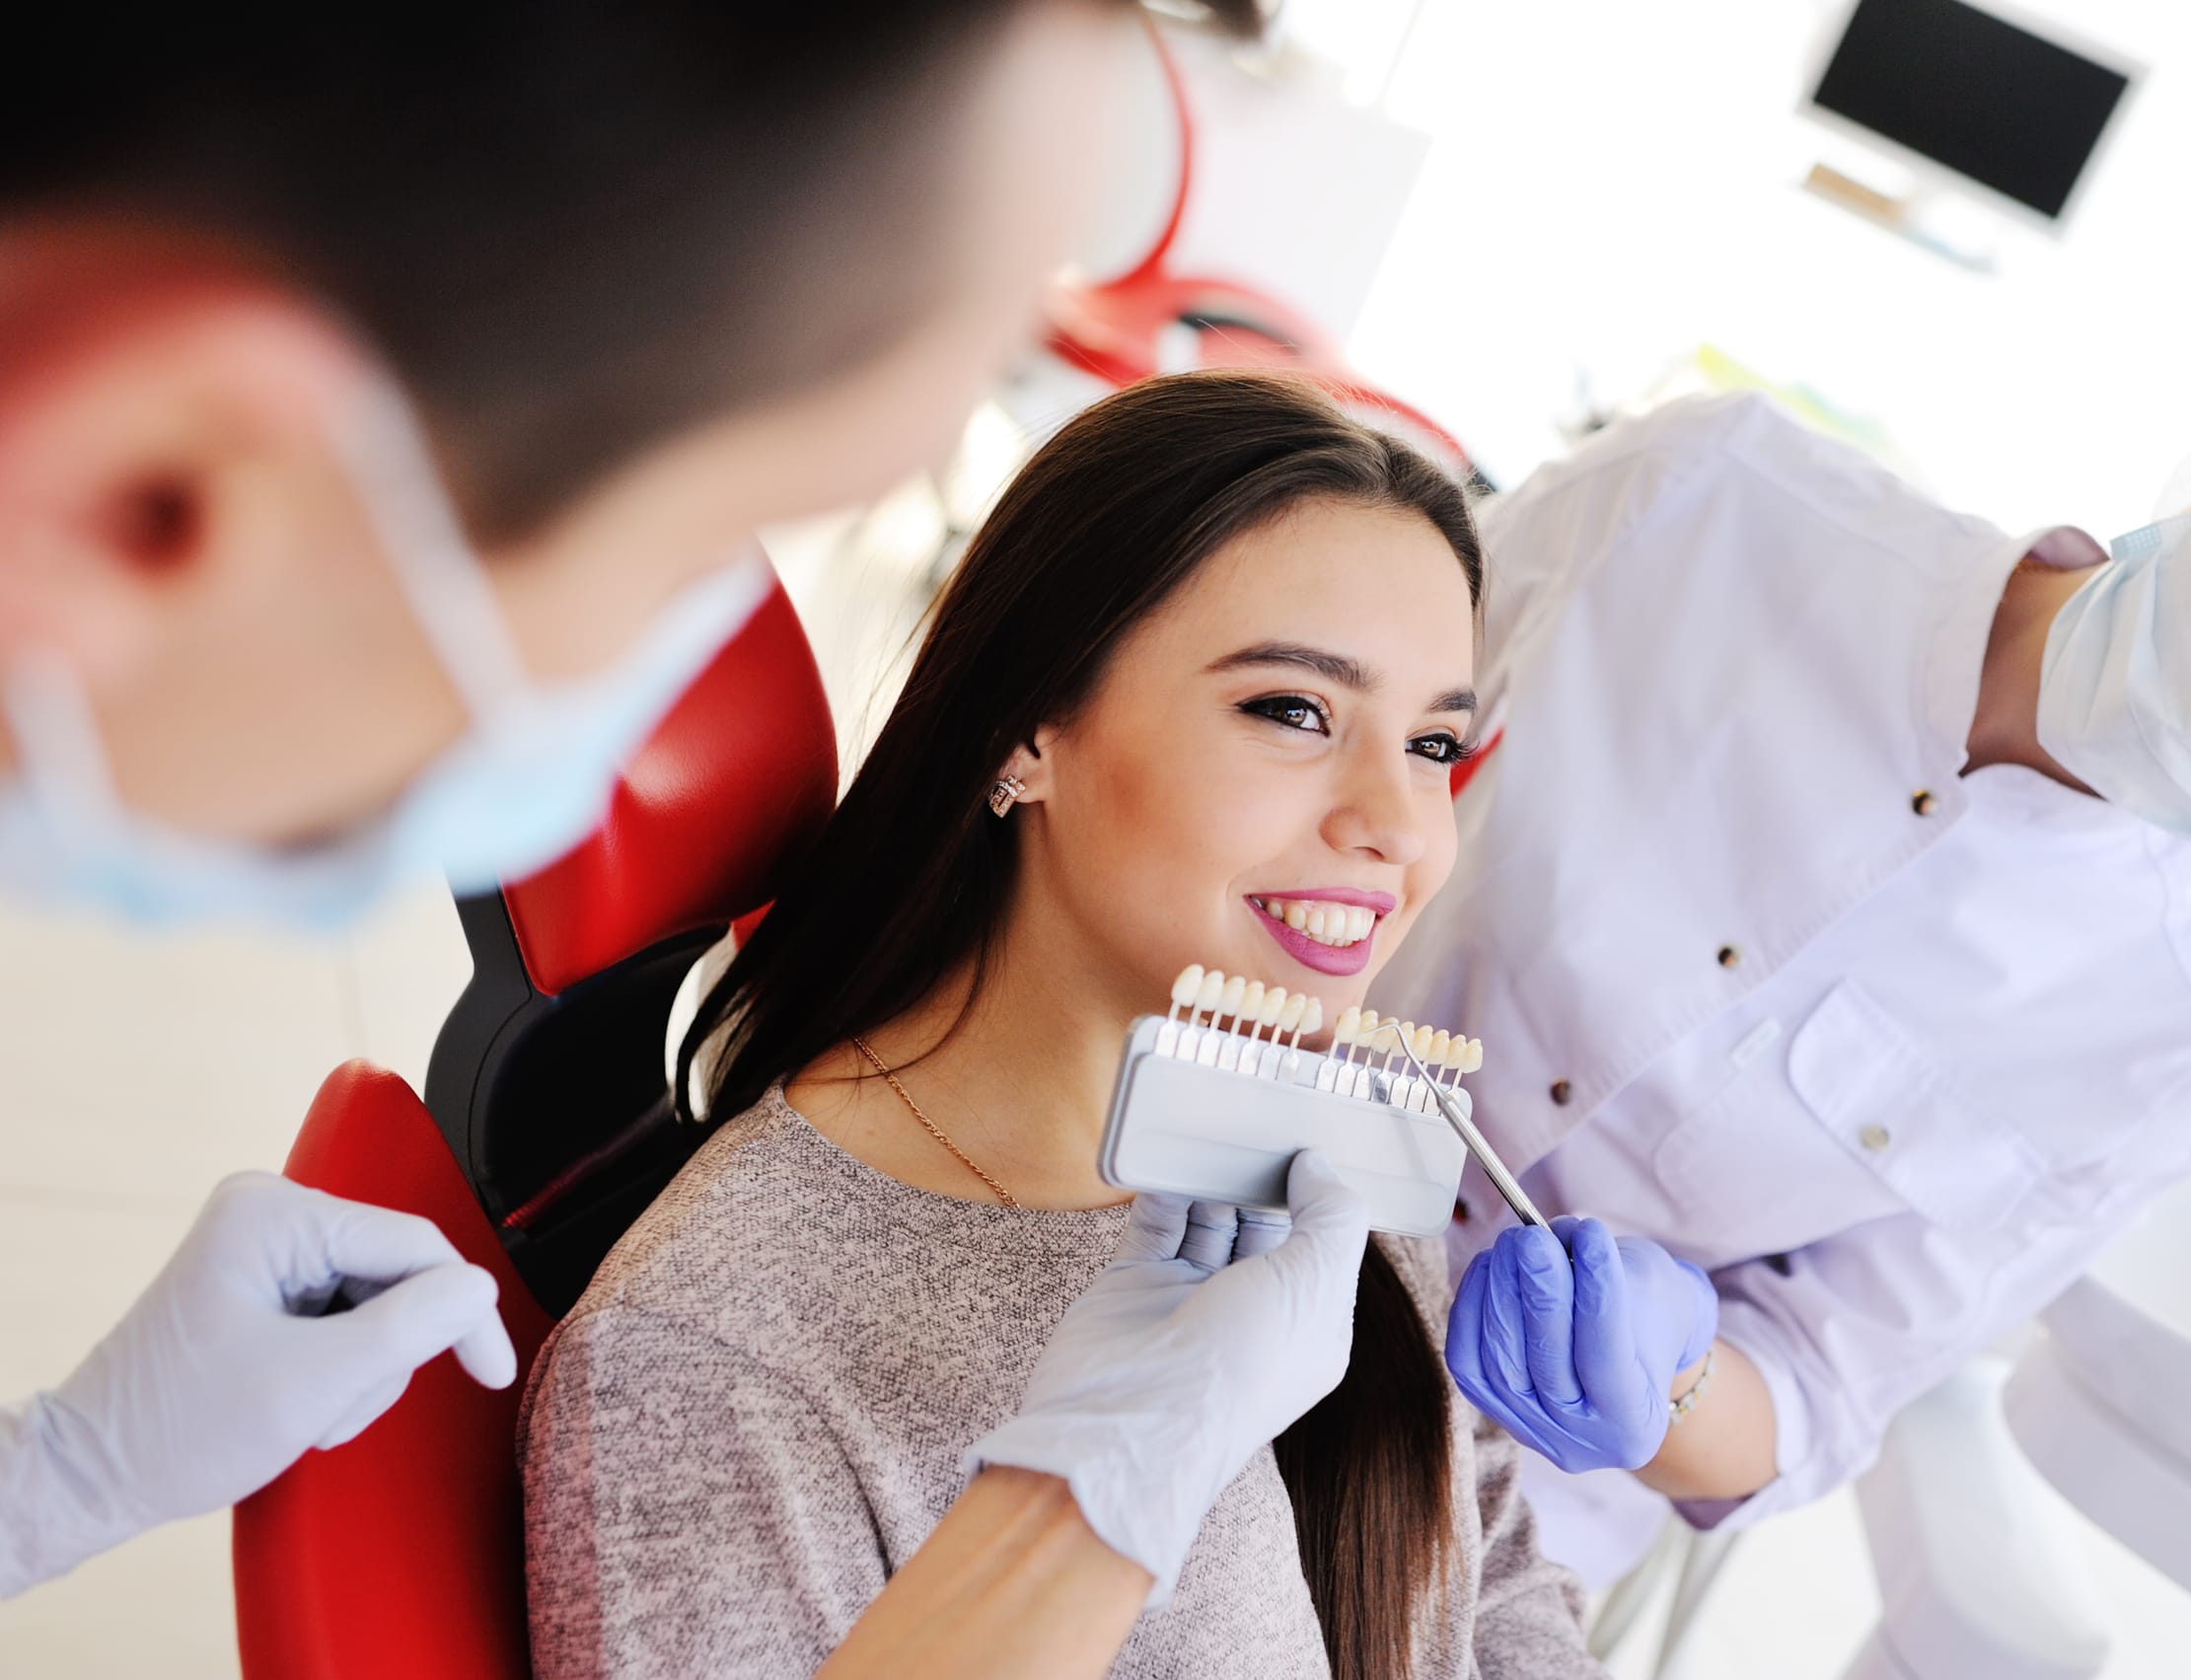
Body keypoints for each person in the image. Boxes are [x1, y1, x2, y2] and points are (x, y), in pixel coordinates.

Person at [0, 10, 1389, 1649]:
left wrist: (47, 1485)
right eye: (698, 547)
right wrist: (1094, 1497)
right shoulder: (720, 1338)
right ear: (148, 497)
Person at [1380, 339, 2191, 1587]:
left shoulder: (2173, 1047)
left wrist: (1666, 1382)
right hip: (1195, 1188)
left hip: (1477, 1500)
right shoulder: (1710, 496)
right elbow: (1308, 739)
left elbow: (1813, 1388)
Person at [519, 370, 1603, 1680]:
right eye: (1292, 709)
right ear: (1023, 728)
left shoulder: (1333, 1120)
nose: (1396, 824)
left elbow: (1486, 1592)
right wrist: (1111, 1474)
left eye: (1432, 744)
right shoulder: (719, 1355)